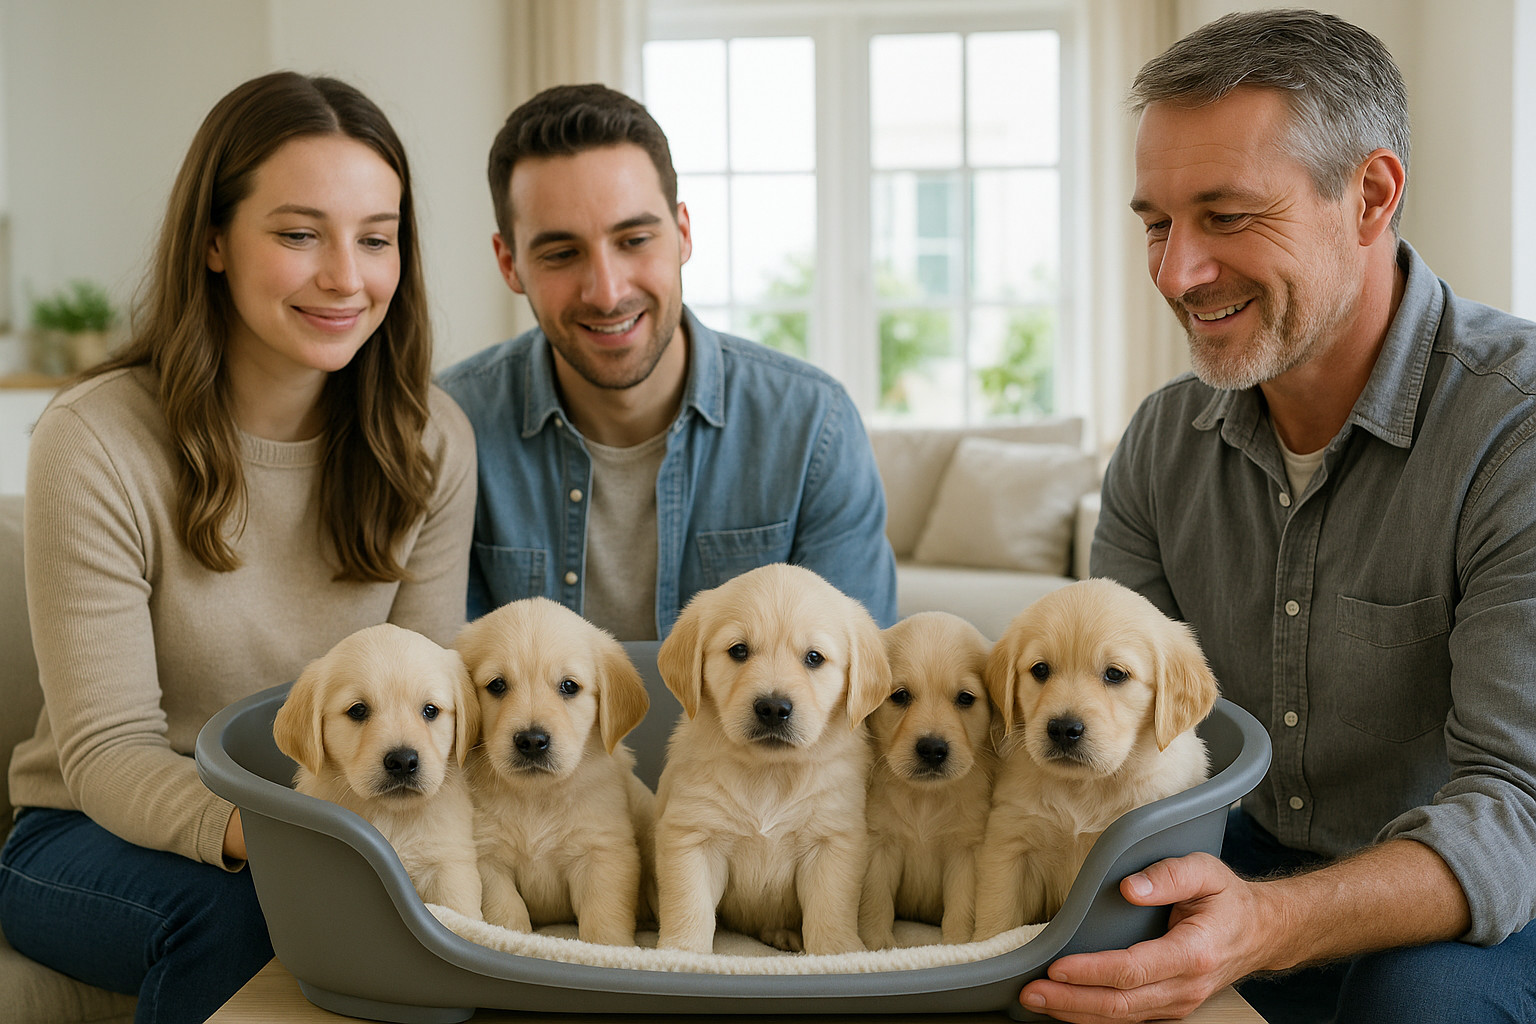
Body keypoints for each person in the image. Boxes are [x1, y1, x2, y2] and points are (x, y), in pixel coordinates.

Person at [1024, 9, 1536, 1024]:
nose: (1176, 273)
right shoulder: (1162, 443)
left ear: (1370, 197)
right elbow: (1121, 746)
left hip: (1472, 899)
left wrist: (1267, 922)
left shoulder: (1512, 430)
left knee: (1419, 1001)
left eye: (1226, 216)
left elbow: (1516, 808)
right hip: (1233, 859)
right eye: (1157, 224)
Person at [0, 72, 476, 1023]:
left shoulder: (430, 442)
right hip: (89, 832)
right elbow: (107, 751)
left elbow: (434, 705)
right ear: (213, 241)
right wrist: (303, 842)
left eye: (375, 238)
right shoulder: (94, 440)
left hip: (339, 824)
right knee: (251, 914)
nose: (346, 276)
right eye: (300, 235)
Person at [438, 84, 897, 639]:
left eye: (634, 240)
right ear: (509, 263)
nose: (607, 292)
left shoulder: (813, 430)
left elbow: (854, 681)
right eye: (561, 253)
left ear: (682, 233)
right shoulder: (448, 427)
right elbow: (436, 673)